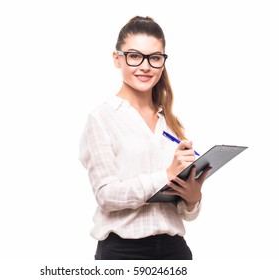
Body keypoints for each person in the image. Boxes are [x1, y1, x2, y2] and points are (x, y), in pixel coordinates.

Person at [79, 16, 211, 260]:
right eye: (134, 56)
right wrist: (167, 174)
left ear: (162, 61)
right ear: (117, 59)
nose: (145, 66)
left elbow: (184, 212)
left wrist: (193, 198)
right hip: (123, 253)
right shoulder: (101, 118)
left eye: (155, 57)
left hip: (175, 250)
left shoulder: (170, 122)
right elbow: (106, 196)